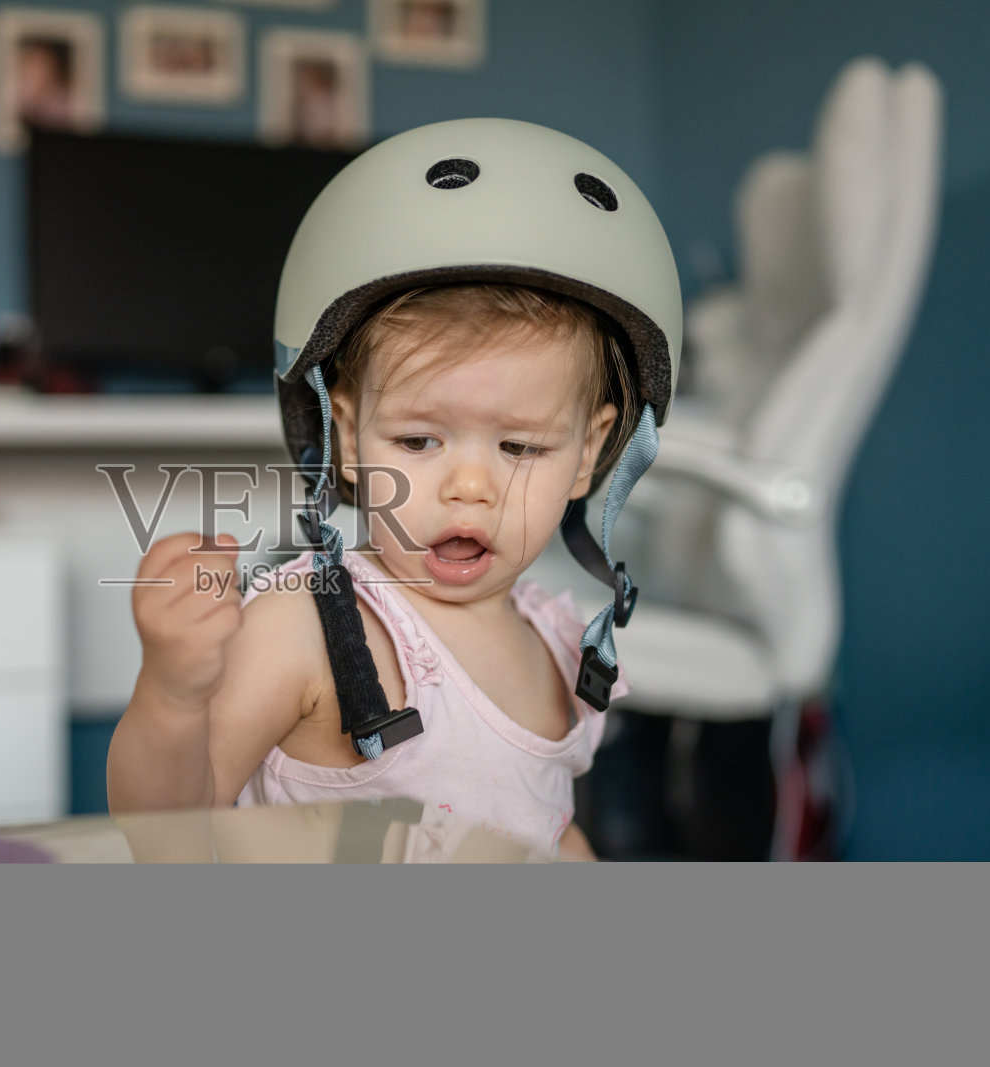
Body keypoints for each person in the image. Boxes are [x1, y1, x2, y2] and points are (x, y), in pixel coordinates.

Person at [106, 118, 681, 861]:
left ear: (589, 452)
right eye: (418, 441)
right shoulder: (302, 626)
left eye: (520, 446)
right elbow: (169, 833)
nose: (469, 487)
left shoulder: (560, 648)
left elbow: (548, 830)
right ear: (346, 434)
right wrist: (172, 694)